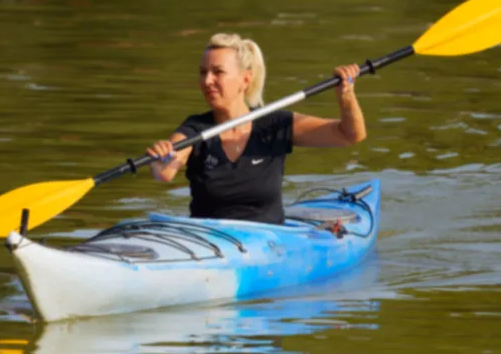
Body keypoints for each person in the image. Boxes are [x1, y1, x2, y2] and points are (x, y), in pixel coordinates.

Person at [146, 32, 366, 225]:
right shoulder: (195, 129)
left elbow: (350, 135)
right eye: (203, 72)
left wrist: (346, 95)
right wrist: (160, 157)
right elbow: (164, 172)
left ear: (245, 79)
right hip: (210, 239)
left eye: (218, 72)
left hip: (268, 240)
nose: (207, 81)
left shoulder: (275, 124)